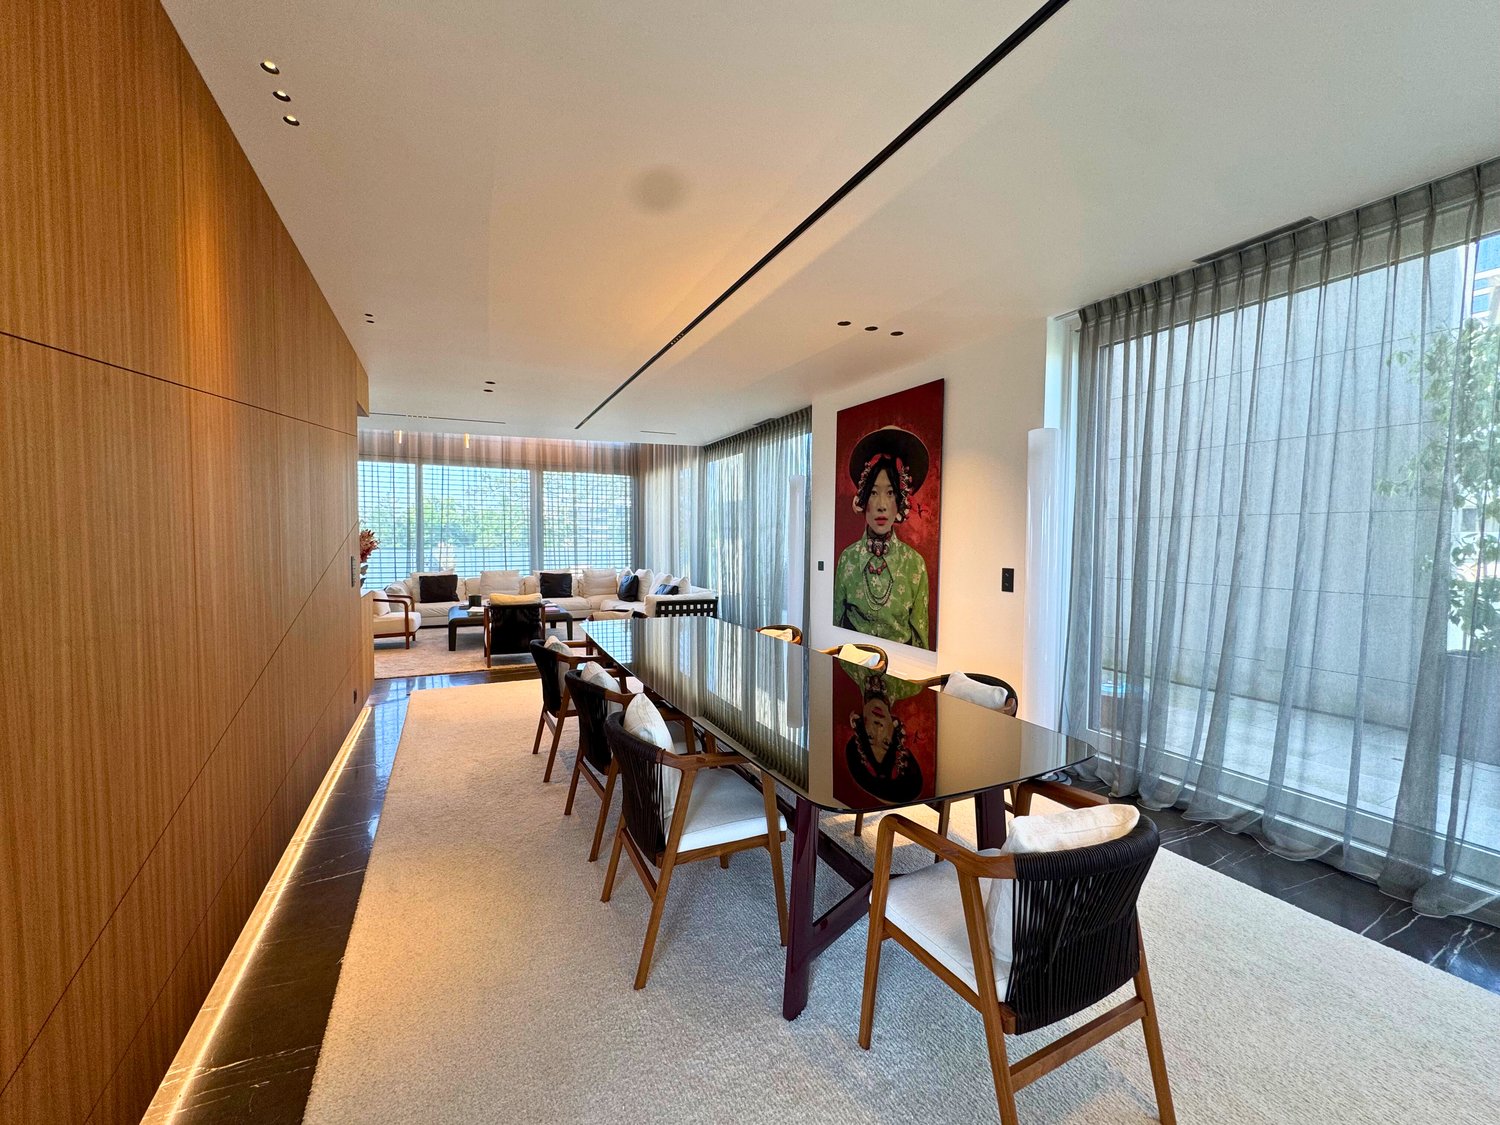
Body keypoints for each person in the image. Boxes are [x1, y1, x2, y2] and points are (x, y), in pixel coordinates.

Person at [833, 426, 931, 648]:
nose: (881, 506)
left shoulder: (915, 565)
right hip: (853, 669)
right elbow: (835, 625)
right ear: (863, 499)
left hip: (900, 675)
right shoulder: (847, 559)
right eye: (874, 493)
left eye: (890, 493)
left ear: (900, 501)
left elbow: (921, 640)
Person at [844, 671, 924, 805]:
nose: (878, 729)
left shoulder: (849, 669)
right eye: (886, 742)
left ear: (861, 725)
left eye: (870, 737)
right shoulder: (911, 686)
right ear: (894, 728)